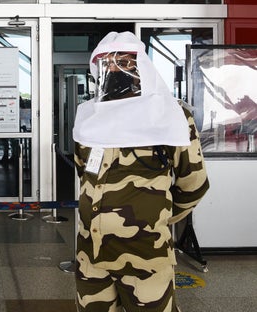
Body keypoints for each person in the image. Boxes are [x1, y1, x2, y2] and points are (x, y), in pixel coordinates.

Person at [71, 32, 209, 312]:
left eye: (123, 62)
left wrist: (155, 216)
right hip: (90, 254)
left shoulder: (171, 115)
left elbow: (194, 183)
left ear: (141, 67)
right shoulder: (88, 116)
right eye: (106, 64)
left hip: (145, 255)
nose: (114, 70)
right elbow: (84, 172)